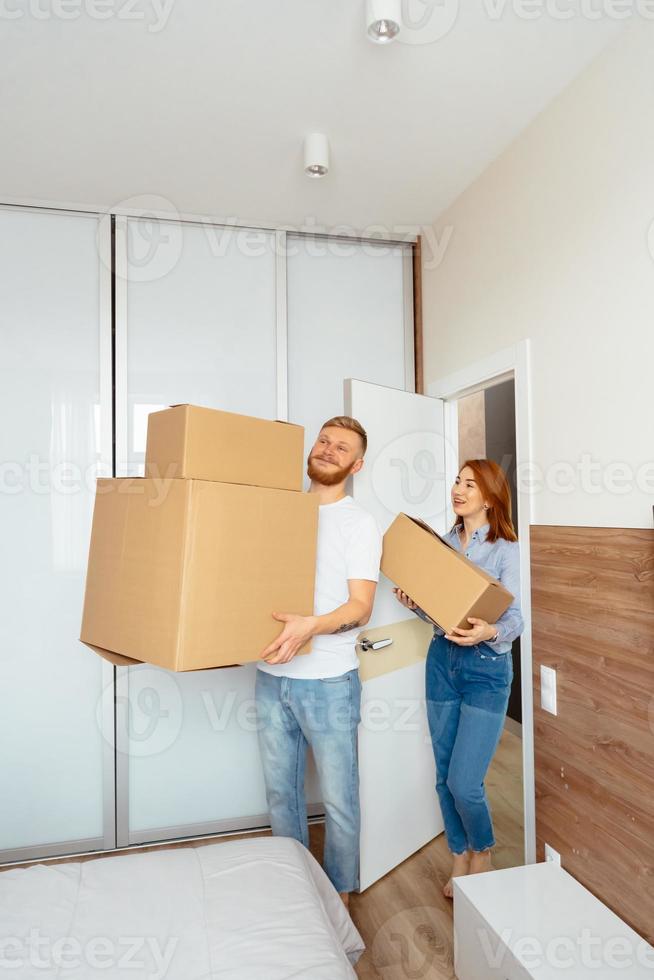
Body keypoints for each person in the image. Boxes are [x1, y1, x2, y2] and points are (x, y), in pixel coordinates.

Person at [255, 415, 382, 908]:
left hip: (328, 680)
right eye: (324, 441)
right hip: (270, 674)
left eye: (341, 447)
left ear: (357, 464)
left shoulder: (359, 523)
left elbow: (361, 608)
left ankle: (340, 898)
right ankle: (296, 892)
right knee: (282, 796)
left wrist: (309, 625)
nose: (328, 450)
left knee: (338, 801)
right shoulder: (279, 511)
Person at [395, 458, 524, 899]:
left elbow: (517, 618)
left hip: (487, 670)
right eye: (456, 481)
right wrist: (415, 602)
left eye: (469, 484)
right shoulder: (444, 543)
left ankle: (483, 851)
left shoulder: (506, 548)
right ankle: (458, 853)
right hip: (441, 663)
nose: (458, 489)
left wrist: (492, 630)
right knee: (443, 773)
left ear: (488, 496)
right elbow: (441, 608)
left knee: (464, 782)